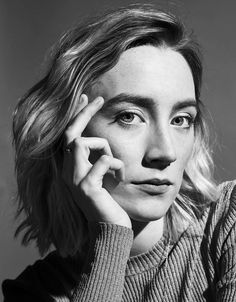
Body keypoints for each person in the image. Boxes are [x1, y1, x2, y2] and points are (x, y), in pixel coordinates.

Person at [2, 4, 236, 302]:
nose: (165, 153)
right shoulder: (33, 292)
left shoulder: (228, 224)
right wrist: (111, 236)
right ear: (68, 132)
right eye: (129, 116)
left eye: (181, 119)